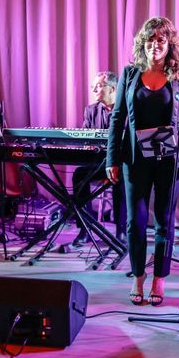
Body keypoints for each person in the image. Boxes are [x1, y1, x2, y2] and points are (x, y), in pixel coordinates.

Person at [106, 16, 179, 306]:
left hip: (169, 161)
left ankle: (159, 278)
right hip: (135, 159)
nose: (154, 45)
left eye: (160, 40)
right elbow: (117, 117)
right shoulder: (130, 73)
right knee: (136, 221)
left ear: (169, 44)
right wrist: (112, 158)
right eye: (150, 39)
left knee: (164, 221)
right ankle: (137, 277)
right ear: (142, 43)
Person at [71, 71, 127, 247]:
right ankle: (85, 227)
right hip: (98, 163)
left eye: (98, 86)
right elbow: (85, 136)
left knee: (121, 178)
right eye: (93, 86)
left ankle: (122, 229)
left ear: (112, 88)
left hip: (120, 164)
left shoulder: (126, 108)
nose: (94, 89)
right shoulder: (91, 110)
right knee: (79, 175)